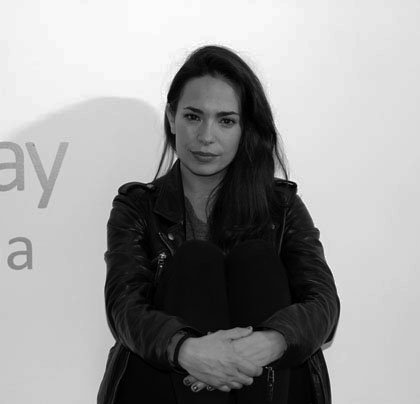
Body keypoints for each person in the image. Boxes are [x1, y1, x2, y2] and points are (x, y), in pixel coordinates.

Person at [98, 45, 340, 404]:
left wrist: (269, 343)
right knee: (196, 261)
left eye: (226, 121)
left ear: (245, 128)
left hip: (266, 383)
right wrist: (187, 350)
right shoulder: (137, 207)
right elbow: (125, 307)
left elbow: (322, 302)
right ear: (171, 117)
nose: (206, 136)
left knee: (256, 259)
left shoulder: (282, 206)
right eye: (193, 117)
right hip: (167, 384)